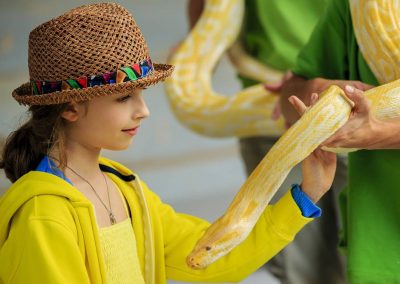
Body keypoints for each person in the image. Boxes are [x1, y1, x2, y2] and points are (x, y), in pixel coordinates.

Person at [0, 3, 338, 283]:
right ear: (71, 106)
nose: (143, 111)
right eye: (123, 99)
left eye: (142, 95)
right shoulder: (43, 216)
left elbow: (210, 255)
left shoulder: (127, 191)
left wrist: (307, 195)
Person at [186, 1, 347, 283]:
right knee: (296, 258)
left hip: (355, 97)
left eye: (208, 248)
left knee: (361, 248)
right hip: (272, 101)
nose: (199, 257)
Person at [279, 0, 400, 282]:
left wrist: (382, 134)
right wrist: (317, 90)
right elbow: (289, 96)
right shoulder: (357, 6)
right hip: (377, 240)